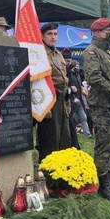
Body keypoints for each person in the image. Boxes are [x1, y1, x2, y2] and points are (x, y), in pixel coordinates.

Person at [83, 18, 110, 201]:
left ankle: (109, 181)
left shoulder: (107, 53)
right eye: (107, 30)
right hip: (101, 104)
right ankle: (103, 185)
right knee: (104, 144)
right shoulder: (92, 52)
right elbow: (94, 78)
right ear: (97, 32)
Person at [36, 23, 72, 163]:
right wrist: (44, 106)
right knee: (50, 138)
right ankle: (48, 173)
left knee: (64, 138)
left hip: (62, 98)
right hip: (49, 100)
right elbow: (38, 81)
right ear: (42, 36)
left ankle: (61, 171)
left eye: (55, 34)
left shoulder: (58, 54)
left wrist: (67, 102)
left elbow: (65, 79)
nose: (53, 37)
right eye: (49, 34)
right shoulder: (40, 54)